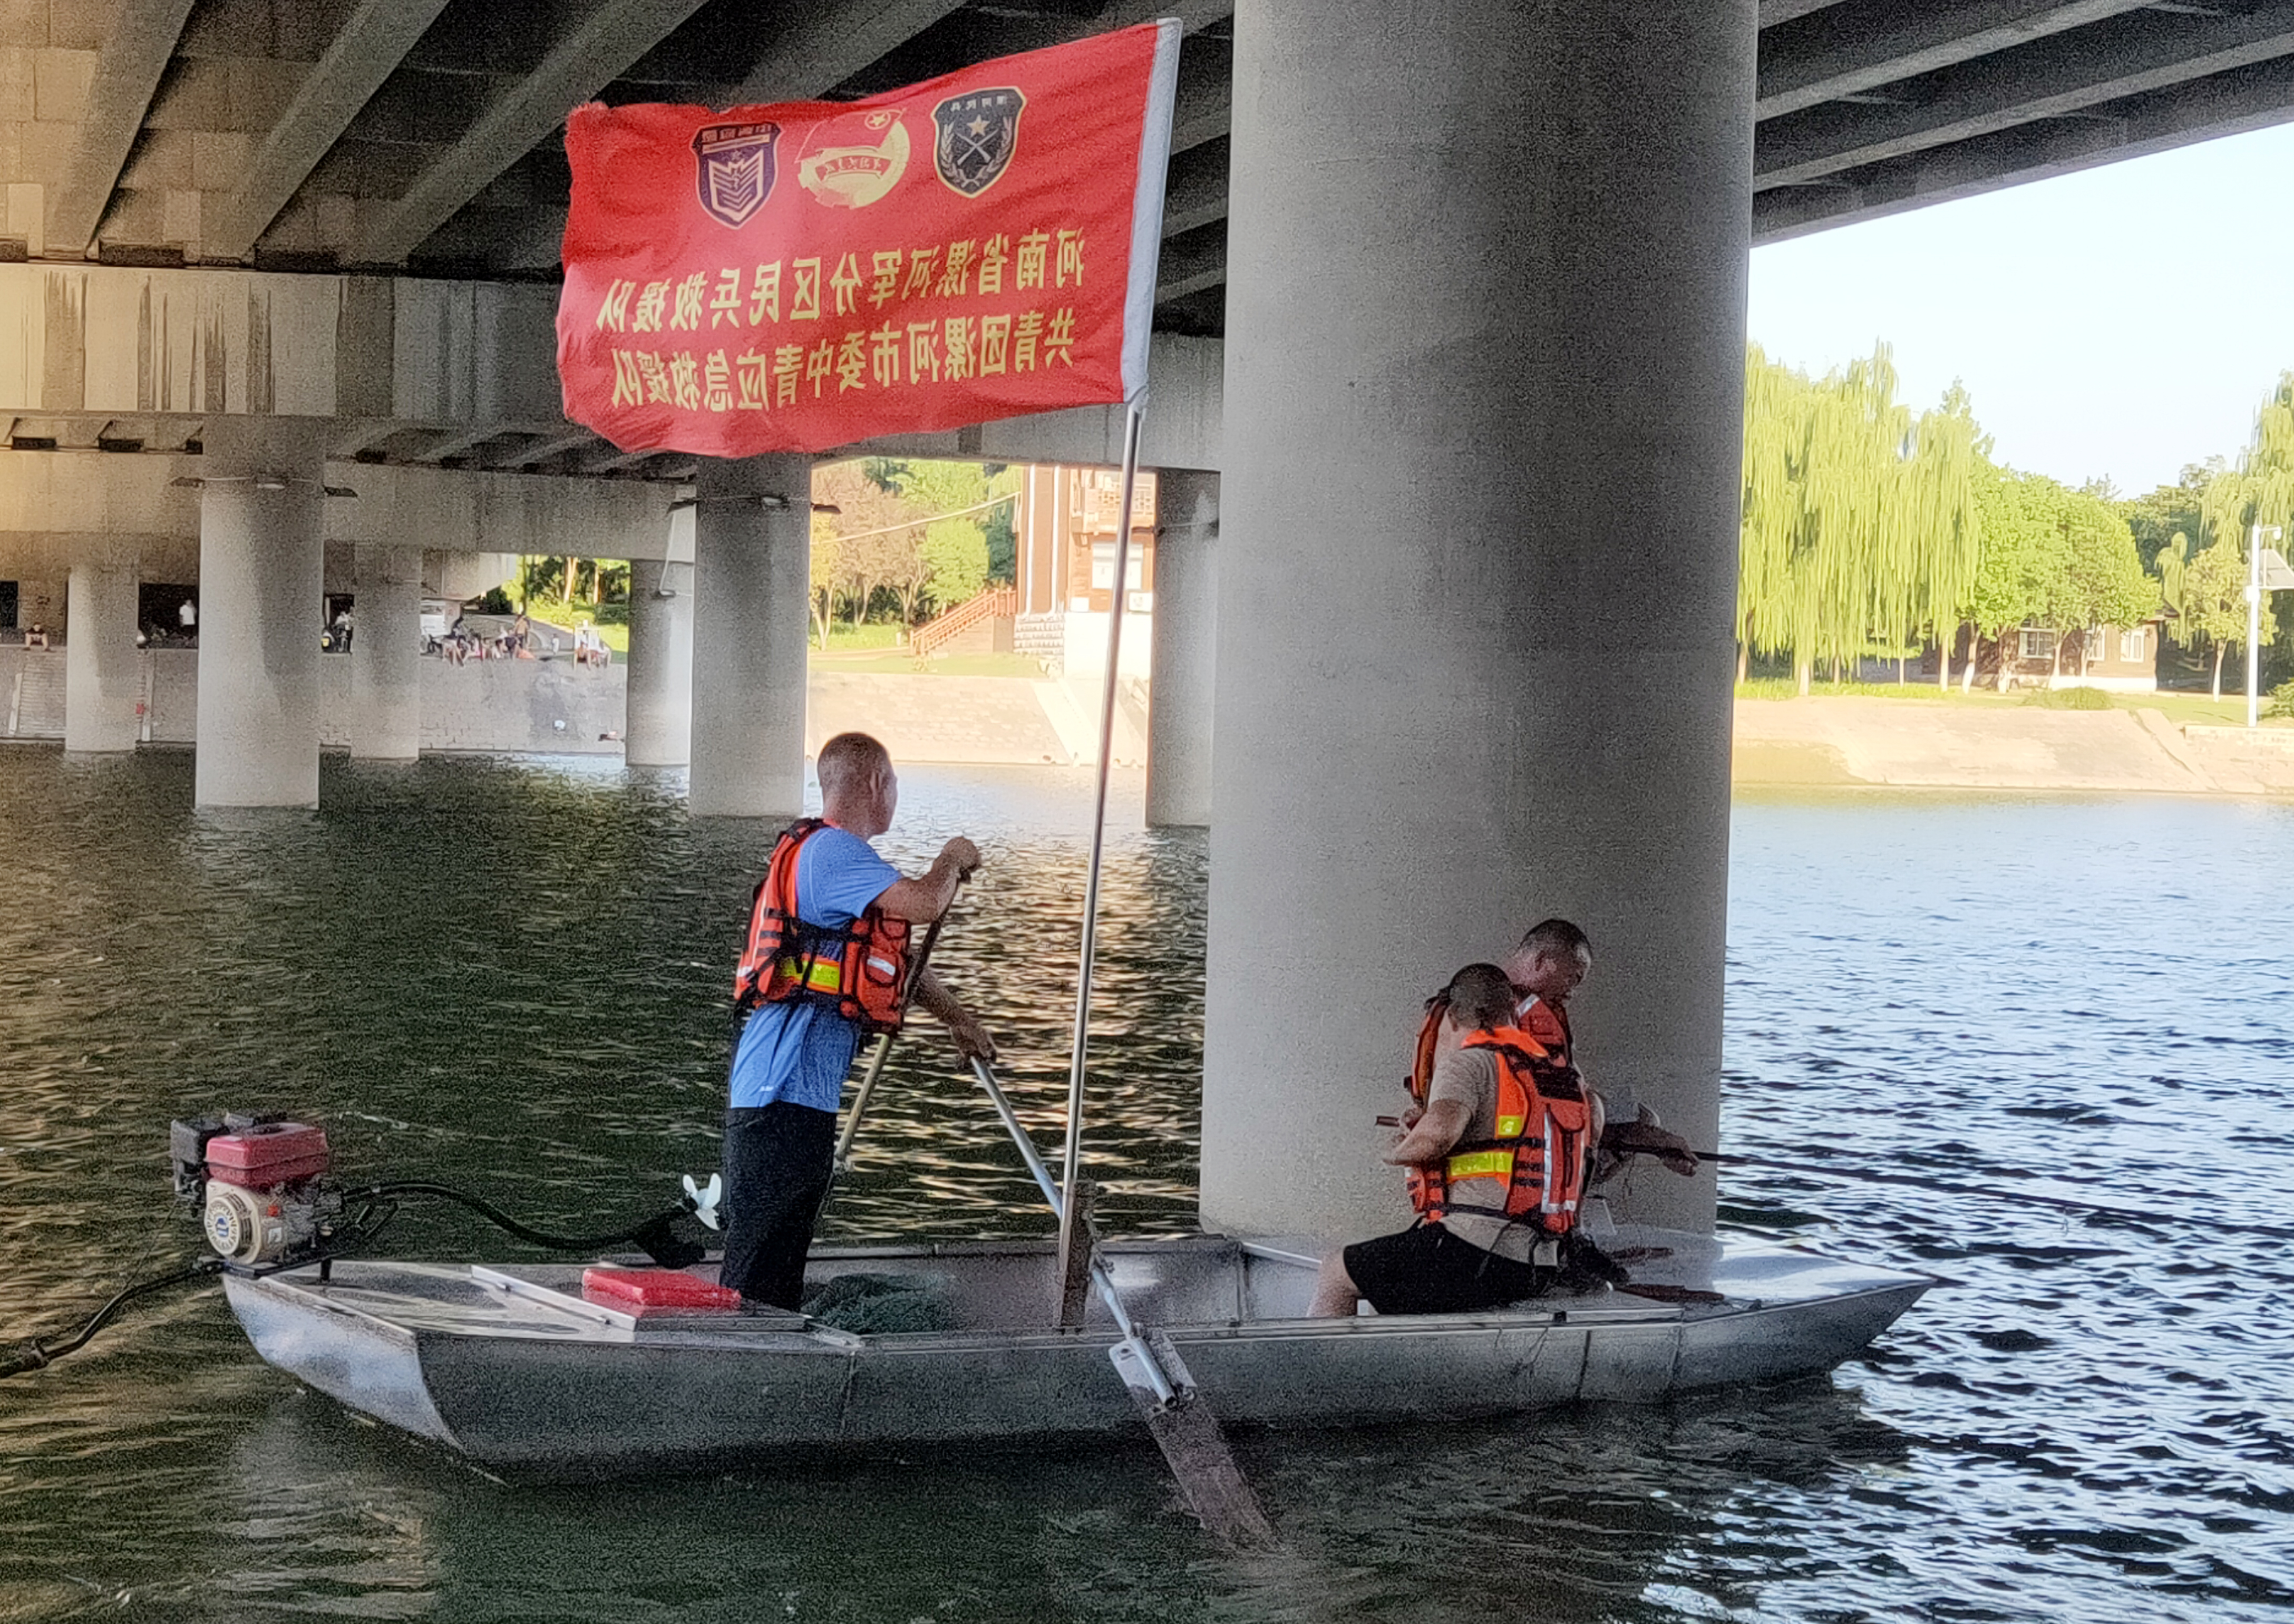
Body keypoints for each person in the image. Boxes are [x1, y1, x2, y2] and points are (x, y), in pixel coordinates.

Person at [718, 731, 995, 1309]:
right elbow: (926, 903)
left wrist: (958, 1020)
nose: (894, 796)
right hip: (779, 1096)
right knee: (759, 1272)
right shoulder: (832, 851)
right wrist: (952, 856)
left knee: (779, 1267)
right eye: (894, 784)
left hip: (799, 1100)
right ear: (877, 784)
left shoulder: (838, 863)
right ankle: (738, 1363)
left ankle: (776, 1359)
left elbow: (896, 964)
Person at [1309, 962, 1611, 1317]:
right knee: (1404, 1263)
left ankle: (1315, 1372)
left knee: (1335, 1270)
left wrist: (1392, 1153)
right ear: (1512, 1013)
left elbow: (1437, 1137)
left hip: (1474, 1256)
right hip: (1542, 1264)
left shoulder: (1470, 1062)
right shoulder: (1568, 1078)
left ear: (1453, 1018)